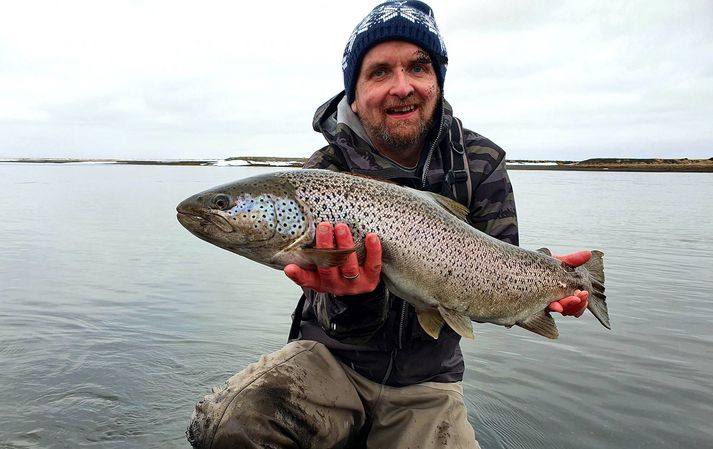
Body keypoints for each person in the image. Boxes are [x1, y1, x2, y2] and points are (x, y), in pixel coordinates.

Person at [187, 2, 591, 448]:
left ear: (437, 80)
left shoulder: (481, 163)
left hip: (428, 383)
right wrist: (355, 298)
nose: (402, 87)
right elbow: (322, 308)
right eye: (379, 72)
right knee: (228, 424)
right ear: (354, 94)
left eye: (418, 67)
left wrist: (542, 285)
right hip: (330, 360)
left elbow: (495, 266)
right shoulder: (324, 172)